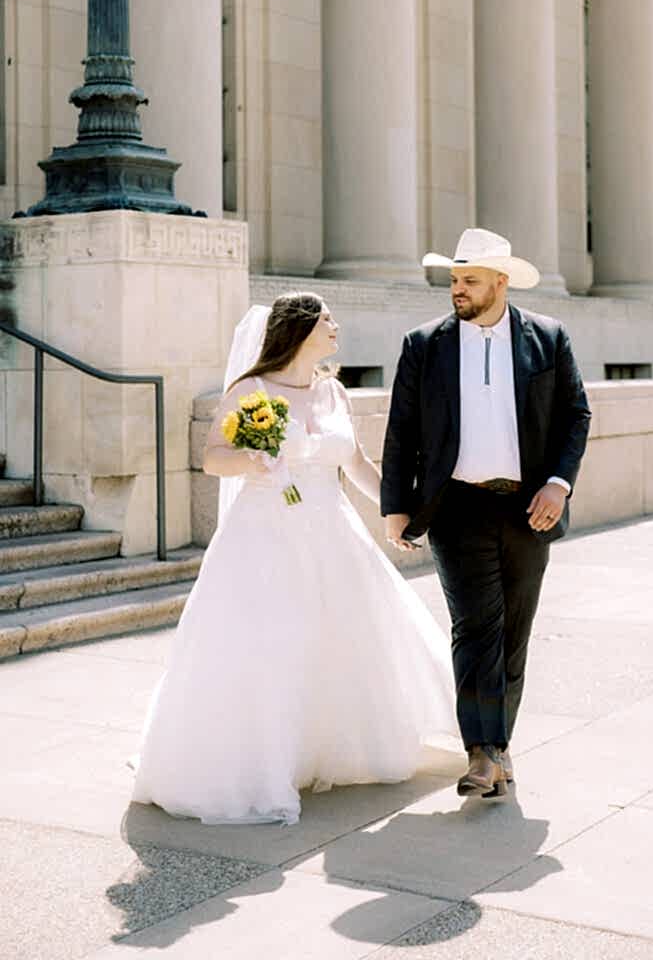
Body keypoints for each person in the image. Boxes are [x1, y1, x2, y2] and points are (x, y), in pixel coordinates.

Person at [131, 293, 458, 826]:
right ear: (300, 329)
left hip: (332, 530)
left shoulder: (332, 391)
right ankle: (260, 762)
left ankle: (323, 749)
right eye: (327, 320)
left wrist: (401, 514)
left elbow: (355, 462)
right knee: (271, 644)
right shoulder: (250, 390)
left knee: (341, 638)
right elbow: (213, 457)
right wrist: (252, 460)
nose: (336, 326)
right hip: (265, 533)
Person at [381, 229, 591, 800]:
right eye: (453, 279)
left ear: (500, 282)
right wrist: (396, 506)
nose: (458, 289)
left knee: (513, 634)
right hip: (456, 506)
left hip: (530, 508)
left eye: (469, 280)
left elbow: (577, 415)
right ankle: (481, 752)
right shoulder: (423, 344)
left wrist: (558, 484)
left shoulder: (549, 338)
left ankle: (499, 748)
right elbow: (400, 431)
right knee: (475, 628)